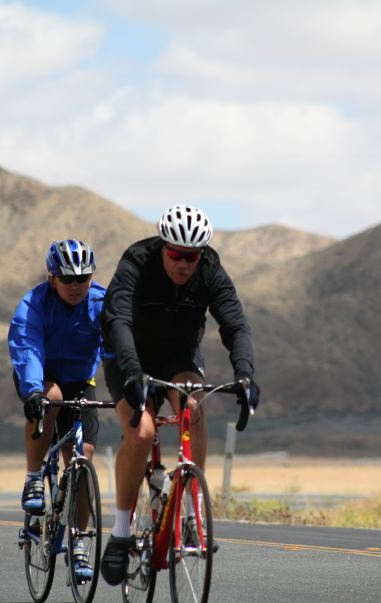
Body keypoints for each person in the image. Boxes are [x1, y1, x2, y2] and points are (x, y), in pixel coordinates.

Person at [99, 204, 260, 585]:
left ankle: (190, 512)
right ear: (163, 247)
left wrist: (246, 376)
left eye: (191, 256)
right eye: (175, 254)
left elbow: (236, 325)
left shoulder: (209, 271)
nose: (183, 263)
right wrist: (134, 372)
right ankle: (121, 534)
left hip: (178, 354)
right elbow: (118, 319)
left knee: (194, 405)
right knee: (141, 432)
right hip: (128, 352)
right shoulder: (137, 261)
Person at [8, 239, 106, 582]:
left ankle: (80, 542)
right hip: (40, 377)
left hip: (81, 381)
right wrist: (33, 389)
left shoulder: (100, 303)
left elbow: (119, 347)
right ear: (53, 278)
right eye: (68, 279)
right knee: (51, 396)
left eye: (84, 278)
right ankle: (34, 478)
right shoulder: (33, 304)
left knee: (83, 457)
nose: (77, 285)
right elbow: (27, 347)